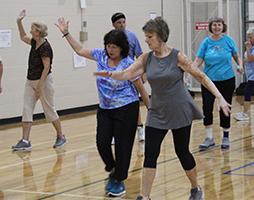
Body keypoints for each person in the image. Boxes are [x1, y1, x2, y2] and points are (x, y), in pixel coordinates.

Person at [94, 17, 231, 200]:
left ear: (160, 37)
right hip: (157, 112)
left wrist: (220, 97)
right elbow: (128, 73)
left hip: (179, 110)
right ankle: (145, 195)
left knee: (182, 152)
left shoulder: (178, 57)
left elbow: (201, 77)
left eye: (150, 36)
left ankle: (195, 188)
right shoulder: (146, 58)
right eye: (146, 36)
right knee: (150, 154)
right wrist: (111, 73)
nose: (146, 40)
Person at [55, 17, 149, 197]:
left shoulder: (129, 64)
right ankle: (113, 169)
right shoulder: (100, 56)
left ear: (122, 47)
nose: (110, 49)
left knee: (123, 146)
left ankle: (118, 180)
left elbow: (141, 89)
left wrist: (151, 109)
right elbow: (80, 49)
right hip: (105, 109)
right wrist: (66, 33)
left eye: (114, 47)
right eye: (108, 46)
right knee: (102, 143)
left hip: (127, 108)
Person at [12, 10, 66, 151]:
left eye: (33, 29)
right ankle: (25, 140)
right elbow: (23, 36)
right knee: (27, 108)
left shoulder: (45, 47)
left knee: (49, 110)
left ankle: (61, 136)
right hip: (30, 80)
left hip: (44, 81)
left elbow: (46, 68)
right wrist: (19, 22)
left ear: (38, 32)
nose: (30, 31)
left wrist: (40, 87)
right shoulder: (33, 42)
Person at [194, 17, 243, 151]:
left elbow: (236, 56)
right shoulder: (206, 42)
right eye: (214, 25)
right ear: (211, 27)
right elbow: (199, 59)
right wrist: (191, 70)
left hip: (227, 80)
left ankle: (225, 136)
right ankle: (209, 137)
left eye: (219, 25)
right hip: (208, 81)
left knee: (225, 108)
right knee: (207, 107)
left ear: (223, 27)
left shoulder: (228, 41)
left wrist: (240, 65)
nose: (216, 27)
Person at [111, 12, 145, 142]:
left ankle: (140, 128)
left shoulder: (132, 36)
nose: (122, 25)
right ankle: (115, 132)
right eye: (119, 22)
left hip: (131, 74)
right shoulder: (111, 38)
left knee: (133, 101)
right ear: (114, 24)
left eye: (124, 22)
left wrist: (142, 73)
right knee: (115, 103)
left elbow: (139, 56)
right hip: (116, 74)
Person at [234, 27, 254, 121]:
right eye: (248, 37)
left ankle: (245, 114)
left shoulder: (251, 48)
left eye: (250, 37)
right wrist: (241, 67)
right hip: (250, 75)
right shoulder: (252, 47)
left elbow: (250, 59)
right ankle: (245, 113)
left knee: (247, 91)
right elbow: (247, 60)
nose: (248, 39)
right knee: (247, 91)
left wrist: (248, 48)